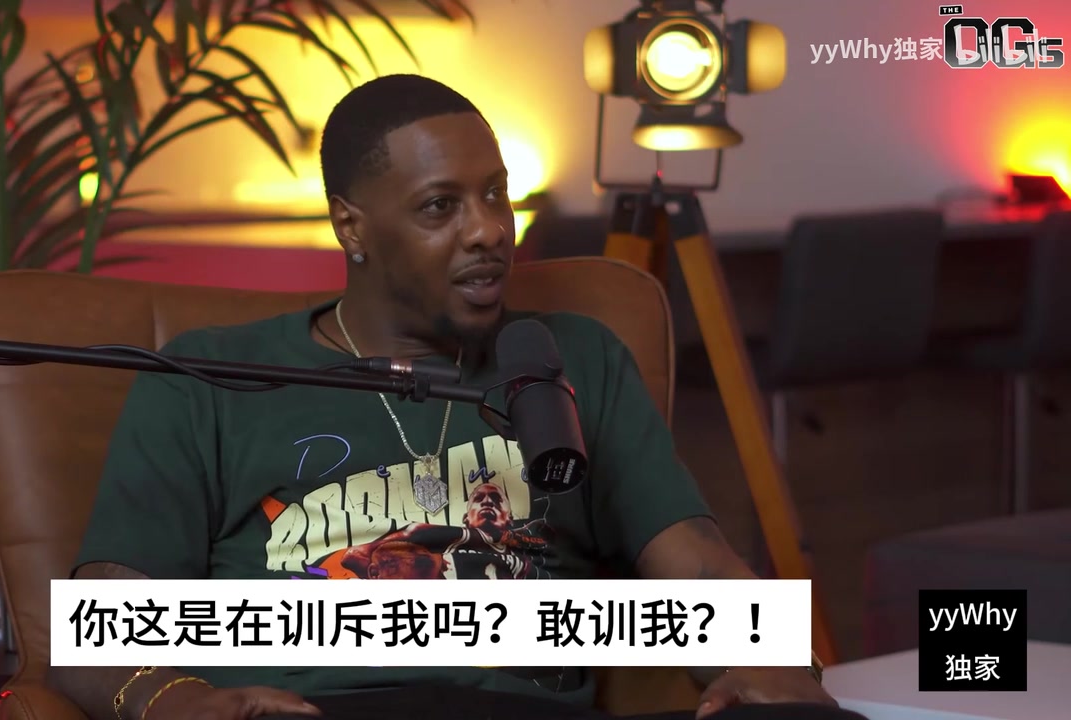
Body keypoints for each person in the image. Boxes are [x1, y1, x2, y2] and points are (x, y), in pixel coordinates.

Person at [47, 74, 864, 720]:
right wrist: (176, 700)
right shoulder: (209, 377)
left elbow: (696, 563)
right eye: (442, 206)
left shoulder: (577, 358)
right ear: (351, 227)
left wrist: (775, 663)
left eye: (495, 194)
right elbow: (95, 623)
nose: (489, 230)